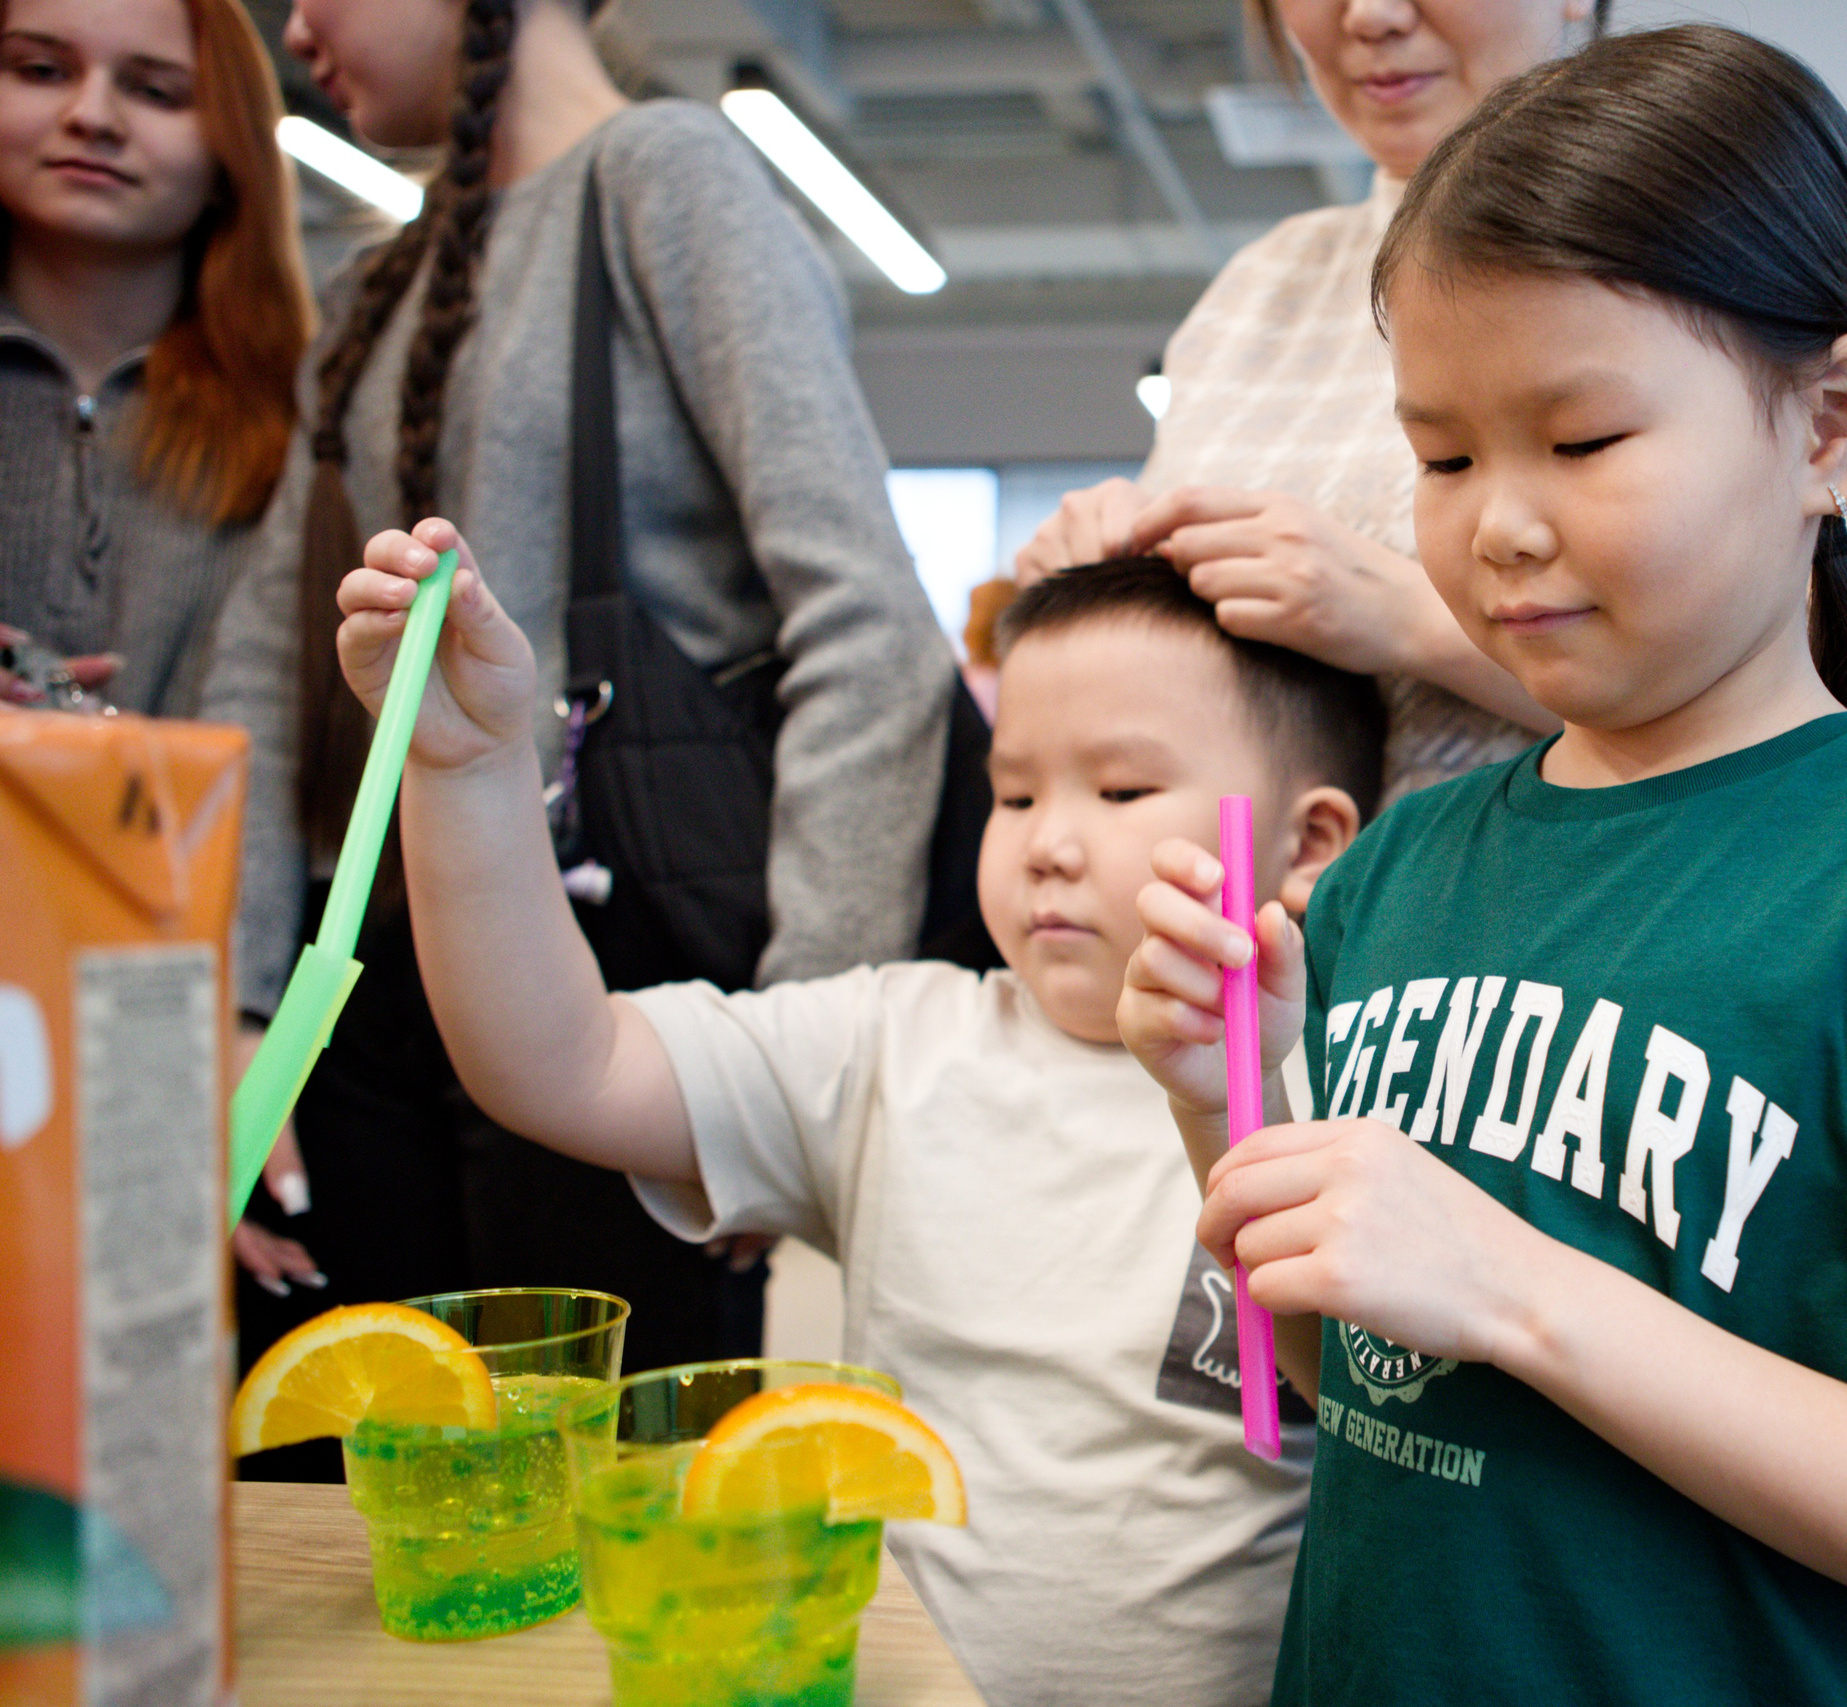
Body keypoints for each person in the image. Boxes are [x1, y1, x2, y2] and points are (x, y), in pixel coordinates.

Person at [1117, 28, 1847, 1706]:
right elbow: (1357, 1381)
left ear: (1834, 424)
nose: (1497, 522)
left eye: (1583, 441)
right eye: (1445, 453)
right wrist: (1225, 1106)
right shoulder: (1395, 874)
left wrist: (1515, 1286)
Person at [331, 529, 1384, 1706]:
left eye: (1123, 788)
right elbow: (555, 1063)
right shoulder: (892, 1045)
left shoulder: (1356, 1097)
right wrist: (468, 770)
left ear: (1308, 845)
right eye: (1015, 790)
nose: (1047, 843)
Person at [202, 0, 951, 1414]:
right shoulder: (372, 289)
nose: (295, 26)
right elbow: (267, 672)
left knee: (600, 1486)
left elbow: (866, 617)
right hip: (388, 981)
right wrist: (245, 1010)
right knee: (366, 1484)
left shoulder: (666, 175)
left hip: (628, 976)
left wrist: (786, 1058)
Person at [1014, 0, 1847, 804]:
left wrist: (1413, 622)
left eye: (1583, 441)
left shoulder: (1731, 242)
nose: (1371, 14)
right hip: (1295, 982)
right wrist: (1121, 578)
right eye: (1444, 460)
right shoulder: (1252, 296)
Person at [0, 0, 306, 717]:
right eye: (41, 70)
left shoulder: (313, 420)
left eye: (155, 91)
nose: (93, 116)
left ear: (232, 147)